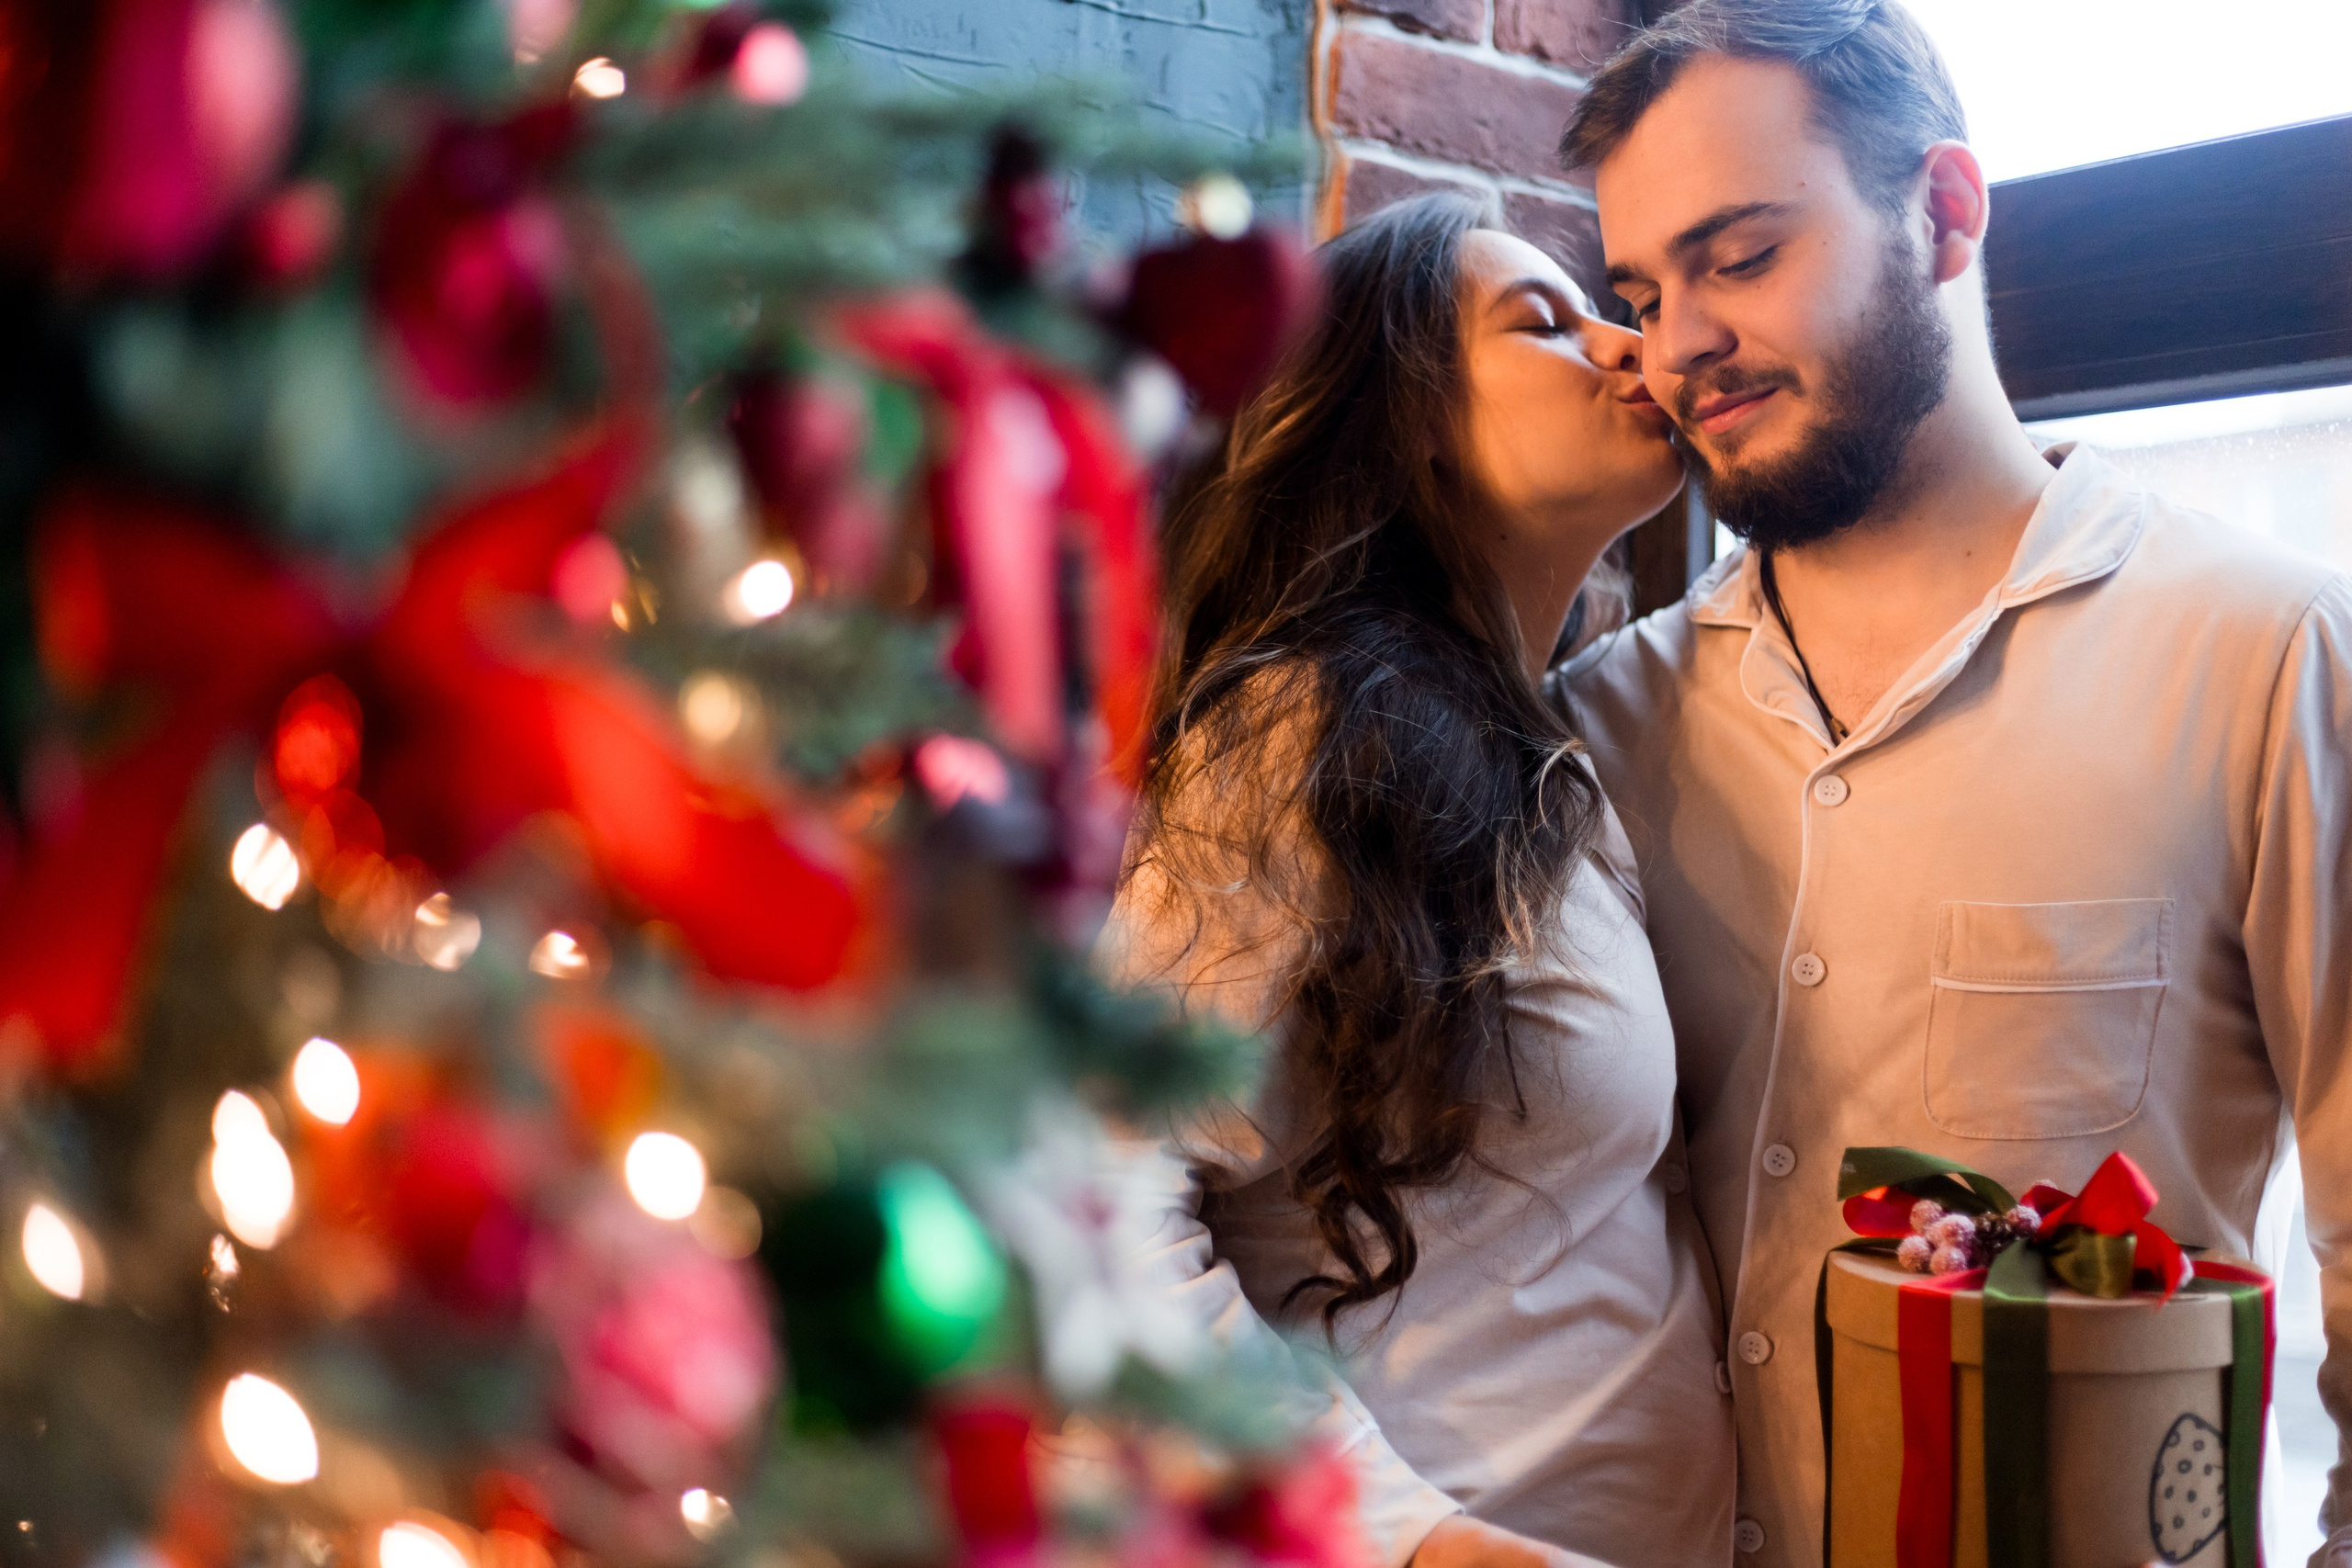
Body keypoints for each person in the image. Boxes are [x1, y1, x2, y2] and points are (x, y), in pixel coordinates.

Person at [1554, 3, 2352, 1564]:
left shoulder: (2268, 655)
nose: (1678, 344)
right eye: (1642, 291)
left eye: (1741, 255)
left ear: (1944, 215)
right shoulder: (1600, 725)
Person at [1100, 193, 1736, 1568]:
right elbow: (1088, 1192)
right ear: (1409, 430)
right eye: (1544, 322)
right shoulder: (1303, 732)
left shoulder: (1560, 763)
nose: (1632, 345)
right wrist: (1413, 1540)